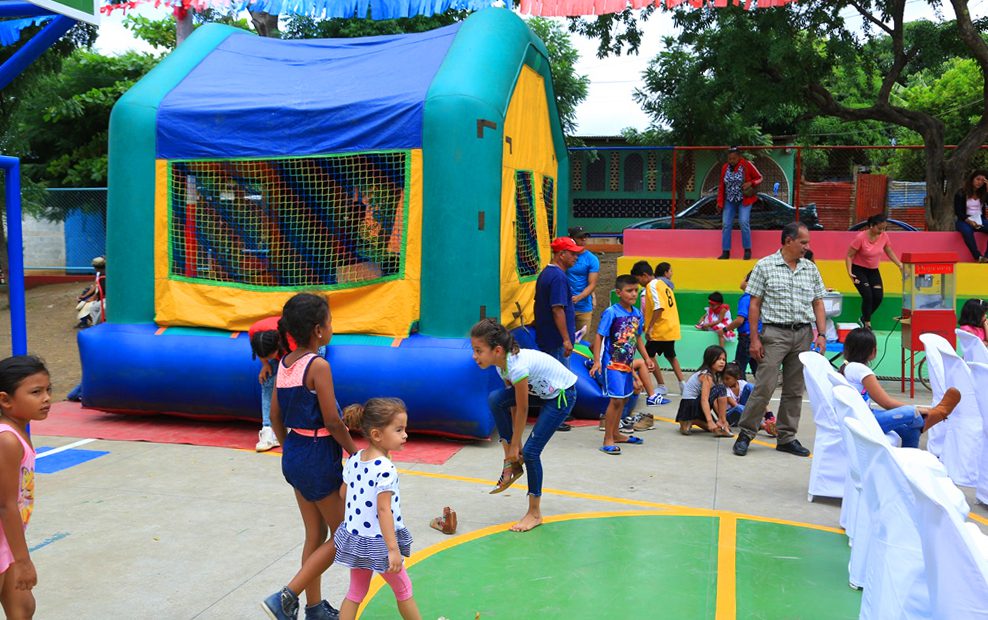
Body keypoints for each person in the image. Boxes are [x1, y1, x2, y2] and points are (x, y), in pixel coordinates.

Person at [262, 294, 359, 620]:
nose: (332, 327)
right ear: (318, 330)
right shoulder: (318, 366)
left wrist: (291, 447)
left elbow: (275, 416)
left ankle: (314, 608)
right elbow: (333, 421)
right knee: (345, 533)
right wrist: (356, 453)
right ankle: (286, 596)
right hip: (317, 456)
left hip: (296, 453)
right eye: (330, 322)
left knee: (315, 535)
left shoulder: (285, 363)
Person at [733, 222, 828, 458]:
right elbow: (754, 304)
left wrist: (822, 334)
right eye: (803, 242)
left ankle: (787, 437)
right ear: (788, 241)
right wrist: (754, 339)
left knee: (794, 389)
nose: (807, 247)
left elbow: (818, 302)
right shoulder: (765, 266)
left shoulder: (810, 269)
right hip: (774, 334)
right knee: (764, 386)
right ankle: (746, 434)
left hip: (803, 334)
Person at [471, 319, 576, 532]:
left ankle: (534, 513)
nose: (474, 356)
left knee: (531, 452)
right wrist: (513, 446)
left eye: (478, 350)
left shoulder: (517, 367)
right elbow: (512, 405)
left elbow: (523, 408)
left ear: (497, 350)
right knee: (495, 399)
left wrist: (517, 447)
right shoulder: (502, 367)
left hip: (561, 396)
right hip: (541, 392)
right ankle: (511, 462)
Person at [335, 398, 421, 620]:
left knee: (355, 592)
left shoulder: (355, 459)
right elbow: (384, 511)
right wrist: (393, 549)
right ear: (376, 434)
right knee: (404, 589)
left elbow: (343, 494)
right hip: (379, 542)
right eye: (399, 430)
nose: (405, 435)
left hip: (357, 539)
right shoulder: (385, 468)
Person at [841, 328, 959, 448]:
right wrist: (920, 409)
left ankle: (913, 451)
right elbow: (886, 403)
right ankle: (934, 414)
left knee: (910, 429)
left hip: (860, 416)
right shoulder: (861, 370)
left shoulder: (846, 367)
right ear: (873, 351)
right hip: (865, 420)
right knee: (911, 413)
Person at [0, 356, 49, 620]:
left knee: (23, 607)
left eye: (48, 390)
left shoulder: (18, 432)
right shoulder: (7, 439)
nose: (46, 398)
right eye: (36, 392)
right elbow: (5, 504)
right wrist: (23, 560)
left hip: (6, 538)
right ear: (5, 400)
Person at [590, 275, 653, 455]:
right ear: (618, 293)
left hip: (627, 364)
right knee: (616, 400)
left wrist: (646, 358)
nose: (633, 294)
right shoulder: (611, 312)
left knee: (624, 398)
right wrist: (597, 361)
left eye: (636, 290)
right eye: (629, 291)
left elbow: (637, 338)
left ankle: (616, 433)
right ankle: (608, 438)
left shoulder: (637, 313)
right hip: (612, 363)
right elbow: (599, 336)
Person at [534, 237, 583, 432]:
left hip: (548, 336)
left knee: (552, 379)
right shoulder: (558, 278)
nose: (576, 258)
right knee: (559, 380)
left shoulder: (547, 274)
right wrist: (566, 339)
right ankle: (555, 417)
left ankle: (555, 416)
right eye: (572, 254)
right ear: (561, 254)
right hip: (556, 339)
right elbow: (557, 309)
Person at [631, 261, 687, 397]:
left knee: (648, 357)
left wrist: (649, 327)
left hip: (660, 328)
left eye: (638, 280)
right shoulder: (663, 284)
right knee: (671, 356)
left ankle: (661, 385)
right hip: (670, 327)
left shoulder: (652, 286)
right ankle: (683, 384)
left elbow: (659, 307)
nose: (639, 283)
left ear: (644, 275)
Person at [846, 213, 904, 329]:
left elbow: (889, 251)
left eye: (884, 228)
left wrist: (899, 264)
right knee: (868, 296)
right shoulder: (860, 238)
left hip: (873, 270)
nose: (882, 231)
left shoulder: (884, 236)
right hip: (858, 270)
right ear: (871, 225)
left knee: (878, 297)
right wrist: (849, 272)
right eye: (879, 228)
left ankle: (863, 318)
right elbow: (849, 255)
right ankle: (867, 323)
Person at [249, 316, 294, 453]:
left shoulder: (290, 337)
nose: (269, 359)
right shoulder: (255, 332)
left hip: (308, 346)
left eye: (270, 356)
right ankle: (268, 429)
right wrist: (265, 364)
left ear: (278, 346)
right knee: (268, 378)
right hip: (282, 348)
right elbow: (260, 351)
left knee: (296, 380)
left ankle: (292, 425)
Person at [716, 147, 763, 261]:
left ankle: (747, 250)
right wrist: (720, 202)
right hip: (729, 200)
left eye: (734, 158)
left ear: (739, 157)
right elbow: (721, 186)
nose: (731, 161)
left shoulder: (747, 165)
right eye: (729, 159)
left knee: (743, 222)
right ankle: (725, 252)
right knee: (726, 224)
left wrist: (750, 183)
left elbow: (760, 178)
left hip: (744, 200)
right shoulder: (725, 168)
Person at [675, 345, 732, 437]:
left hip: (688, 406)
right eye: (718, 359)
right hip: (691, 404)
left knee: (715, 428)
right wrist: (711, 420)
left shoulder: (713, 375)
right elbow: (704, 400)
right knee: (721, 388)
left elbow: (714, 401)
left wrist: (718, 419)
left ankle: (689, 421)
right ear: (710, 359)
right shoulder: (706, 376)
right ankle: (691, 419)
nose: (722, 362)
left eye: (724, 359)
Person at [723, 272, 760, 380]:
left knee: (739, 367)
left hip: (746, 337)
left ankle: (741, 387)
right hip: (758, 336)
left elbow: (740, 320)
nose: (742, 281)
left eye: (744, 278)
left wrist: (725, 329)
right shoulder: (759, 298)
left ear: (748, 283)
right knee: (757, 367)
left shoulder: (746, 298)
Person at [566, 226, 600, 334]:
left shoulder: (591, 259)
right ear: (572, 239)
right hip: (565, 305)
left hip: (583, 306)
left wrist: (579, 297)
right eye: (580, 237)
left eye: (585, 236)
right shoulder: (565, 256)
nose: (584, 239)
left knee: (582, 339)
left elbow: (592, 283)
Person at [954, 171, 988, 262]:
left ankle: (987, 257)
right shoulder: (961, 193)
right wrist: (969, 221)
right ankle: (978, 256)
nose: (980, 182)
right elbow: (958, 212)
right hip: (964, 219)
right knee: (967, 232)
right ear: (972, 179)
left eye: (982, 180)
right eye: (978, 179)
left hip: (980, 219)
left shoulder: (983, 193)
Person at [75, 256, 107, 329]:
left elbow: (101, 289)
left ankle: (96, 326)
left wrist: (93, 297)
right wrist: (86, 296)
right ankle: (85, 322)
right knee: (83, 300)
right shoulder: (100, 274)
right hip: (100, 295)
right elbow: (96, 286)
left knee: (95, 308)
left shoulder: (106, 274)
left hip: (104, 297)